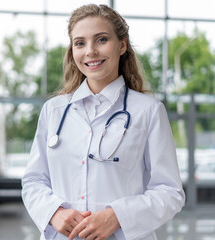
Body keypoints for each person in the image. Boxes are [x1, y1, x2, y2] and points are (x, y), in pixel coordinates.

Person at [22, 4, 185, 240]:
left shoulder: (148, 111)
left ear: (122, 45)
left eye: (101, 40)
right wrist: (54, 212)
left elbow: (170, 192)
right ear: (72, 51)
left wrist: (117, 216)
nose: (90, 51)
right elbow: (34, 180)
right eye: (80, 43)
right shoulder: (54, 111)